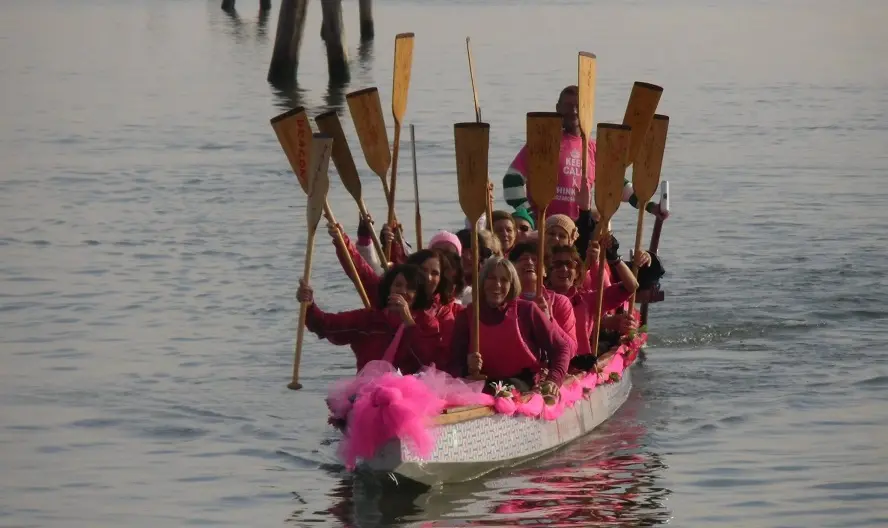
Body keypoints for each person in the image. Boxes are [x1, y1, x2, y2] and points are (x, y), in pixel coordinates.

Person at [503, 85, 669, 224]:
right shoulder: (544, 143)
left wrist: (650, 207)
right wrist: (529, 216)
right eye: (568, 106)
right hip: (547, 231)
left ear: (586, 110)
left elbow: (617, 185)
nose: (573, 111)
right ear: (557, 108)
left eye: (578, 106)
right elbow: (512, 179)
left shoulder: (594, 148)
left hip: (580, 230)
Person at [450, 257, 572, 398]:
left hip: (522, 383)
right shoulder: (466, 316)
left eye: (504, 280)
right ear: (482, 282)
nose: (497, 285)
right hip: (481, 385)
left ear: (512, 285)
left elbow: (561, 348)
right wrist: (466, 367)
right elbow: (454, 363)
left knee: (498, 387)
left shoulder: (527, 310)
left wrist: (553, 380)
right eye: (491, 278)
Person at [297, 264, 453, 374]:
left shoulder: (427, 323)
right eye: (398, 285)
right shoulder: (368, 319)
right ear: (388, 289)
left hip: (410, 400)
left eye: (411, 288)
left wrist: (408, 322)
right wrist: (309, 304)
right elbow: (326, 325)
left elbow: (430, 363)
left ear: (418, 295)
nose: (403, 291)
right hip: (368, 396)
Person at [545, 245, 643, 365]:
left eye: (569, 264)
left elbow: (631, 286)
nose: (564, 269)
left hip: (580, 366)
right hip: (547, 367)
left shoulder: (588, 300)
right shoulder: (539, 300)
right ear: (547, 272)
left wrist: (615, 259)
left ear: (577, 273)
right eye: (557, 264)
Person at [507, 241, 576, 353]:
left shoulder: (560, 302)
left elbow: (571, 350)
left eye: (534, 259)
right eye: (523, 259)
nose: (529, 262)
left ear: (545, 271)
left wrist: (549, 320)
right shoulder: (506, 303)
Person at [454, 228, 503, 305]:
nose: (467, 257)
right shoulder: (446, 287)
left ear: (481, 256)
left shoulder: (488, 286)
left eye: (472, 252)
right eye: (462, 251)